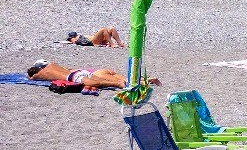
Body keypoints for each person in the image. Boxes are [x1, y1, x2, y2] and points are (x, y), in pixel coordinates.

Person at [27, 60, 160, 90]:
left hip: (74, 77)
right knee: (119, 77)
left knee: (98, 83)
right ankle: (145, 81)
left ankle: (119, 85)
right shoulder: (52, 65)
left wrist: (30, 75)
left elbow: (30, 78)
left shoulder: (41, 74)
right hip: (81, 71)